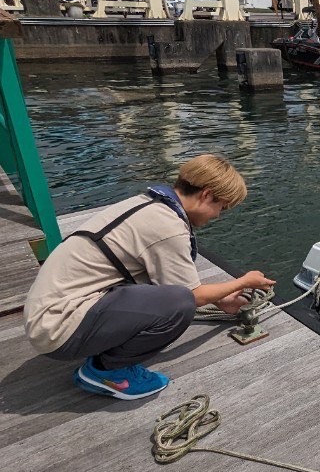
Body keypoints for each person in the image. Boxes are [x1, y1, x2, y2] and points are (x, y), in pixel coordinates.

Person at [24, 155, 275, 400]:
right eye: (221, 207)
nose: (217, 215)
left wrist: (221, 300)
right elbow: (192, 296)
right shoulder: (168, 228)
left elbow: (163, 278)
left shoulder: (149, 204)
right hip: (57, 328)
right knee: (180, 303)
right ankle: (106, 372)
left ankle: (103, 354)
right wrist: (245, 281)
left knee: (174, 296)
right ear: (206, 195)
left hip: (49, 312)